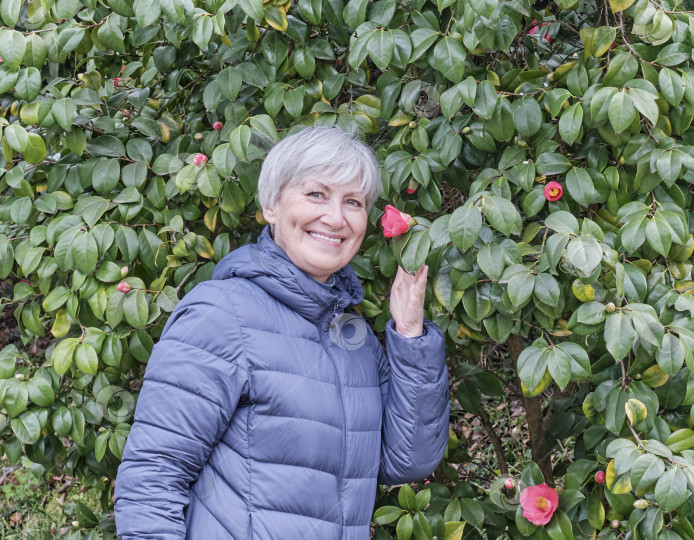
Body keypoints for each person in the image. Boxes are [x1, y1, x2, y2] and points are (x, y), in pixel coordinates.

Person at [113, 126, 450, 539]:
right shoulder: (221, 314)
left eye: (353, 202)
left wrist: (410, 335)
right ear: (271, 205)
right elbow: (152, 479)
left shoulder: (352, 336)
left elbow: (407, 460)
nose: (336, 217)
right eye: (316, 195)